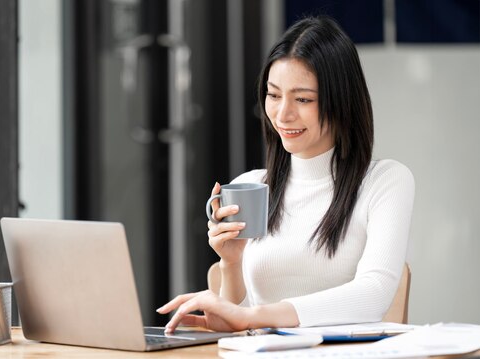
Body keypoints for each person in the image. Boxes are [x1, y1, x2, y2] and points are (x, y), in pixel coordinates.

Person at [157, 15, 415, 333]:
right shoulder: (251, 186)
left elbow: (374, 295)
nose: (283, 114)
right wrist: (232, 262)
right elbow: (236, 324)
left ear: (342, 102)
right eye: (274, 95)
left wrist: (254, 316)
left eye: (303, 99)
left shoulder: (385, 181)